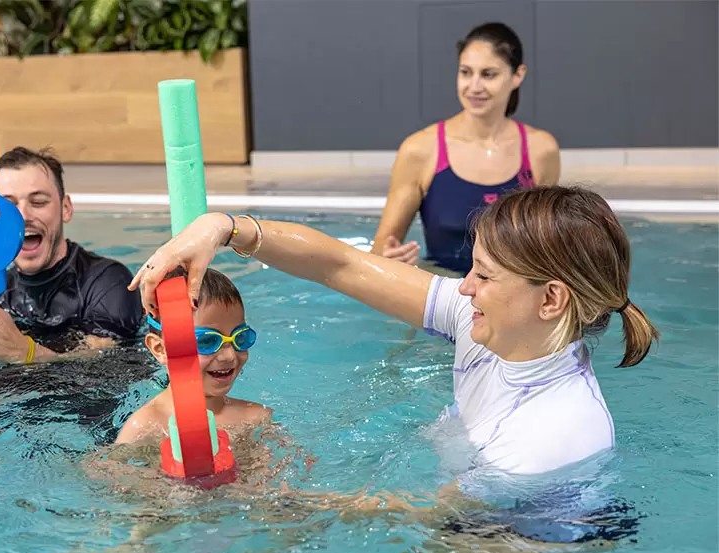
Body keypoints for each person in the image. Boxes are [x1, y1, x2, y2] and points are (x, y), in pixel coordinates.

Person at [130, 189, 659, 479]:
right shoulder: (493, 326)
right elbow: (340, 265)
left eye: (485, 276)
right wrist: (222, 226)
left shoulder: (552, 441)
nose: (464, 289)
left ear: (550, 299)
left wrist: (261, 504)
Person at [371, 22, 561, 275]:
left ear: (518, 75)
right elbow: (379, 252)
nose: (474, 86)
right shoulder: (421, 150)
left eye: (488, 74)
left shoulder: (541, 150)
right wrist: (391, 260)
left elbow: (547, 246)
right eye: (465, 72)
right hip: (445, 297)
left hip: (512, 304)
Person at [0, 147, 144, 363]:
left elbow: (108, 366)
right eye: (7, 205)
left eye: (38, 202)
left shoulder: (108, 282)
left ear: (65, 209)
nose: (23, 216)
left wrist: (25, 353)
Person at [116, 267, 271, 445]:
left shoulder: (256, 418)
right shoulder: (144, 428)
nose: (228, 356)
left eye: (240, 338)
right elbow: (111, 470)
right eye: (207, 341)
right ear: (160, 349)